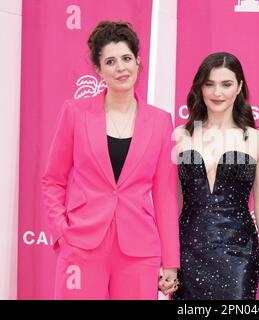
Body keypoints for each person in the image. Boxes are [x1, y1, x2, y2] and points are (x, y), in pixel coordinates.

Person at [41, 21, 179, 299]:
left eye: (127, 58)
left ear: (138, 61)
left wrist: (171, 261)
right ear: (98, 70)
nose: (121, 68)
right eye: (111, 61)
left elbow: (164, 195)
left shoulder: (161, 121)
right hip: (82, 243)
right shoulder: (75, 113)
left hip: (139, 251)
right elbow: (53, 179)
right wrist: (61, 232)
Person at [172, 52, 259, 300]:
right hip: (187, 253)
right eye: (210, 84)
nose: (217, 93)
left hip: (238, 255)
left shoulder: (257, 141)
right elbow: (172, 206)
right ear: (200, 87)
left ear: (239, 87)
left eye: (226, 84)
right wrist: (166, 259)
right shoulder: (179, 137)